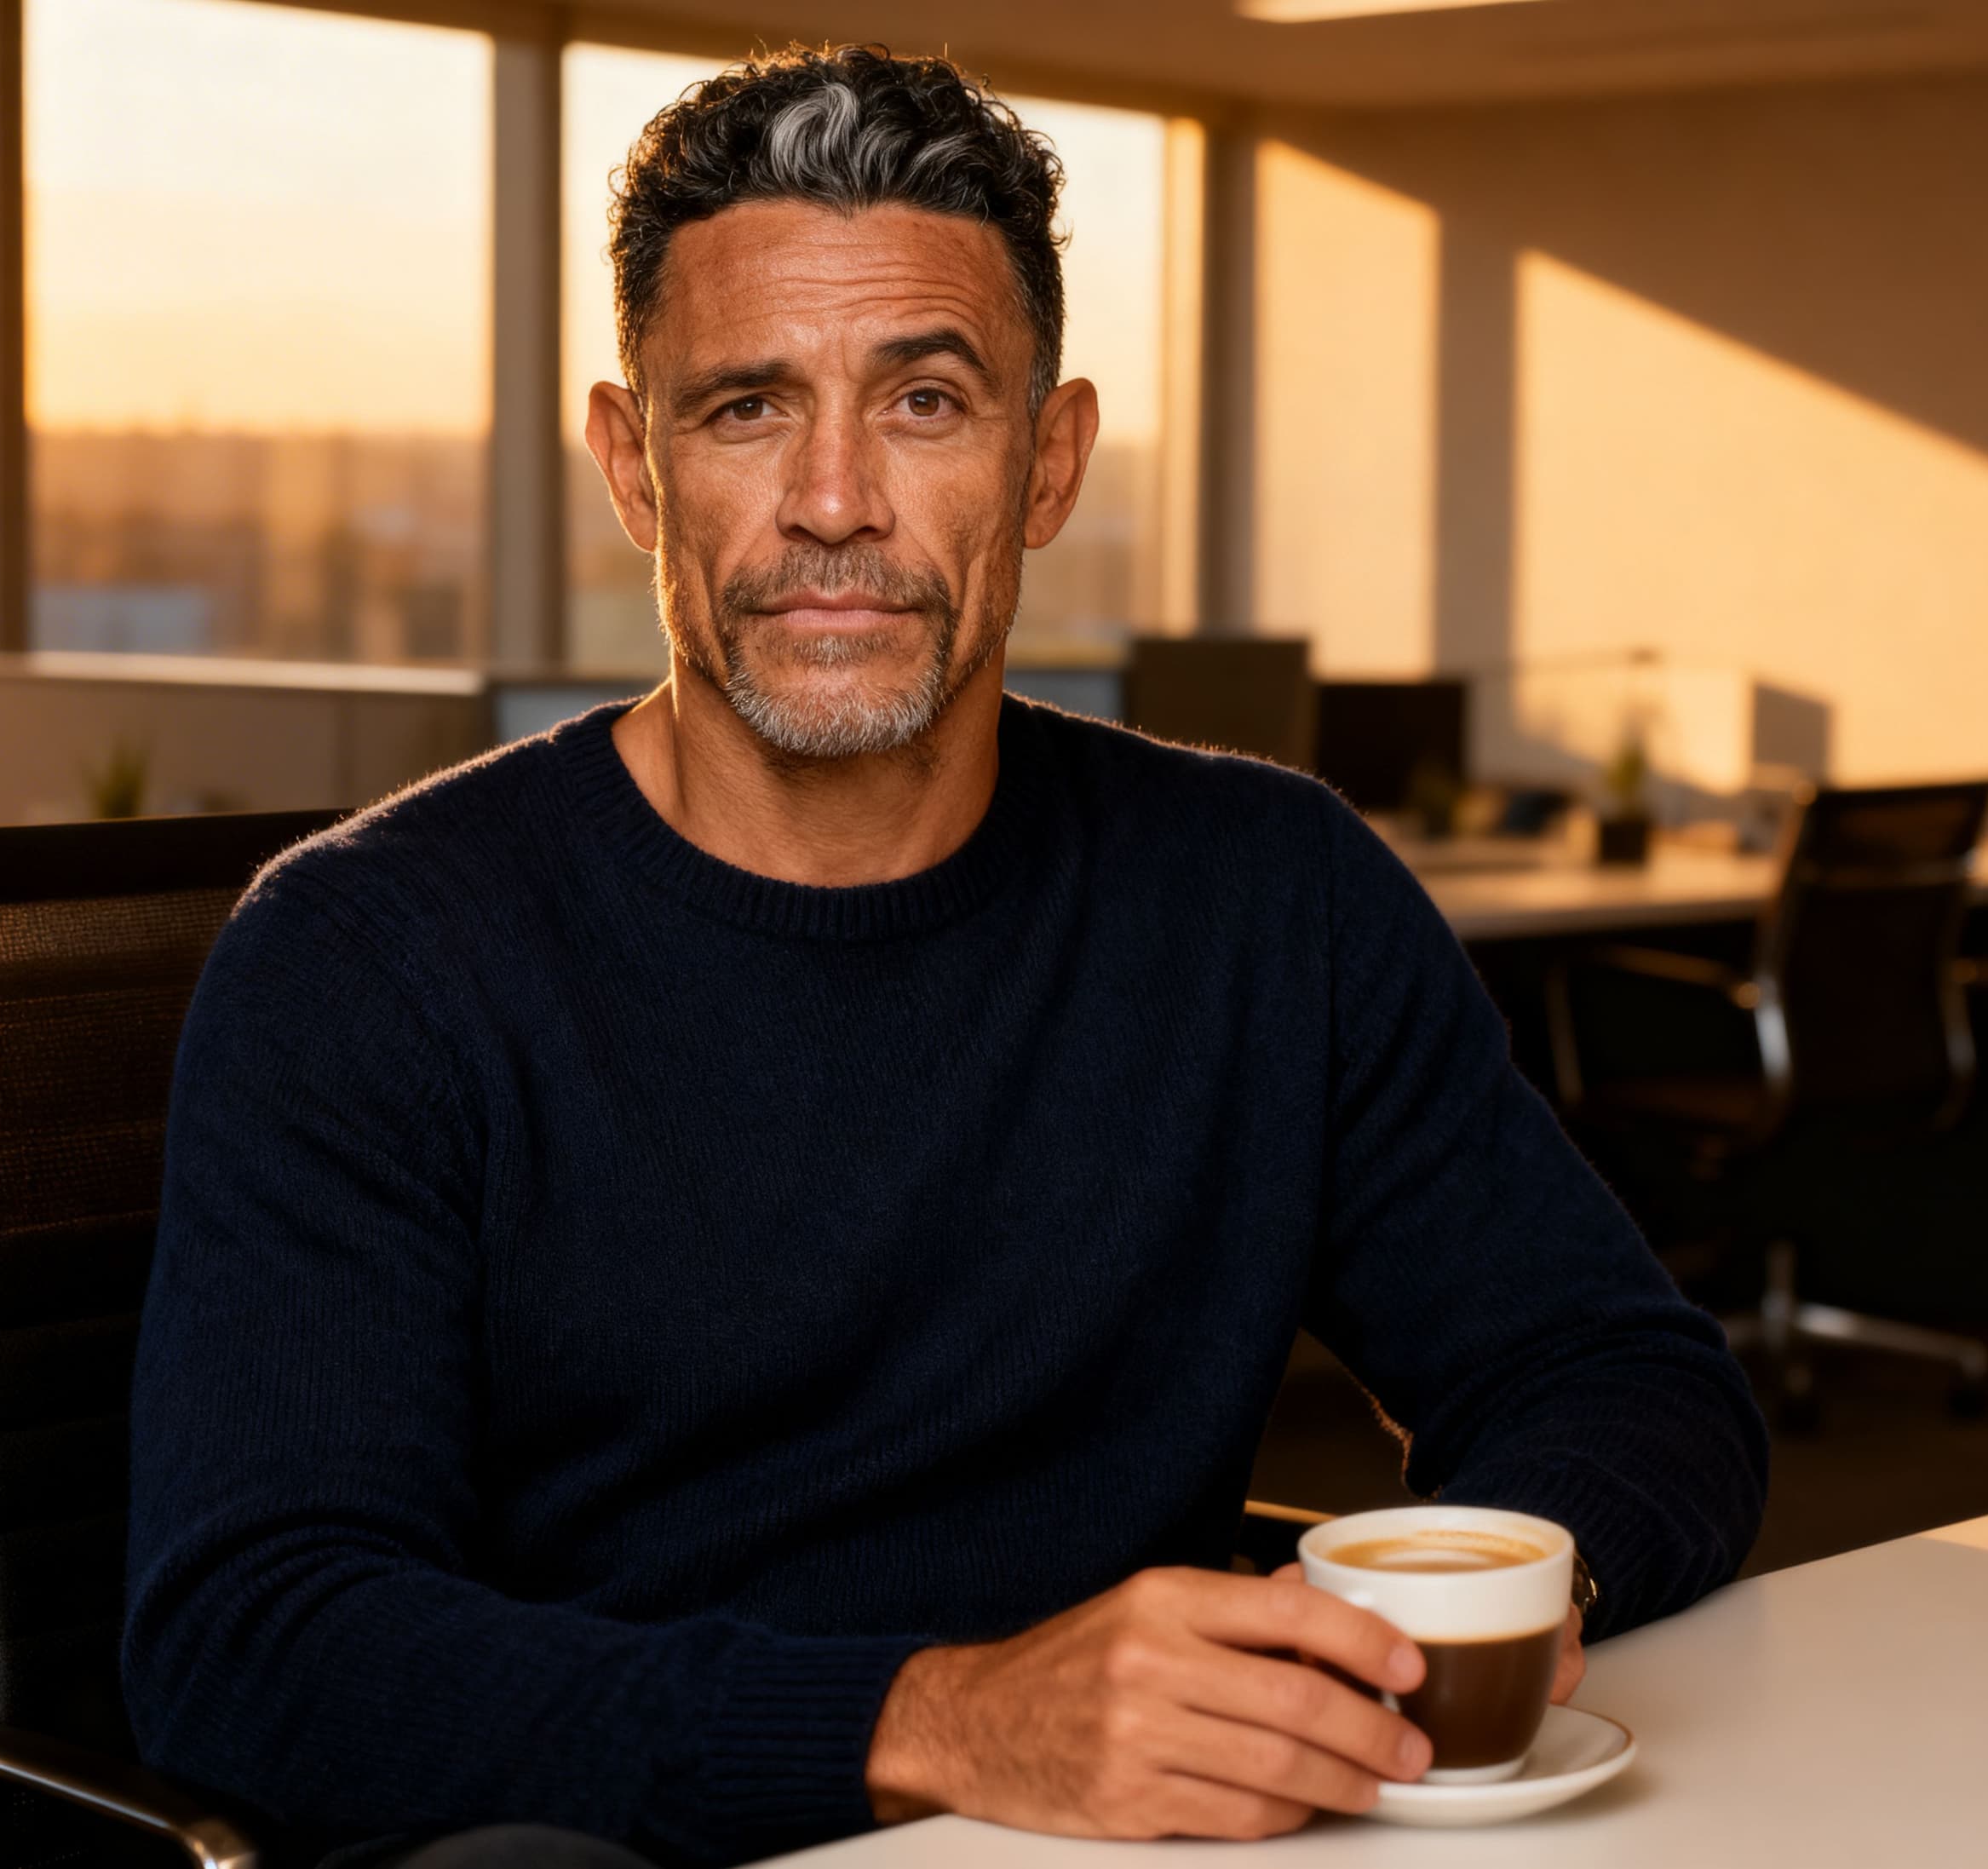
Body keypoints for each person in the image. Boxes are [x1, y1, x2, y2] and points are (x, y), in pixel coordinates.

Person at [122, 43, 1766, 1869]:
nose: (835, 501)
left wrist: (1407, 1636)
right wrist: (944, 1723)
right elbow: (257, 1639)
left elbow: (1627, 1380)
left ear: (1047, 462)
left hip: (1159, 1842)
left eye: (924, 401)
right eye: (747, 407)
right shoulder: (370, 959)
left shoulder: (1268, 895)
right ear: (634, 468)